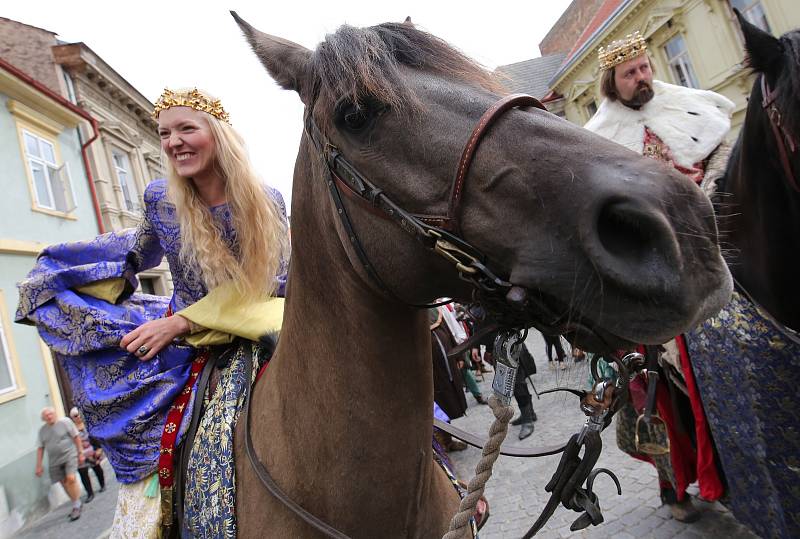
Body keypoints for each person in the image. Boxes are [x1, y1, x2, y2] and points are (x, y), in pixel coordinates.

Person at [17, 88, 289, 538]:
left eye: (186, 129)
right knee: (155, 461)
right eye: (164, 133)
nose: (173, 142)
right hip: (177, 343)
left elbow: (273, 285)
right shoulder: (160, 197)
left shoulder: (267, 200)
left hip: (251, 333)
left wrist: (182, 321)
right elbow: (139, 252)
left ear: (218, 136)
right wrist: (82, 273)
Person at [584, 33, 732, 523]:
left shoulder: (689, 106)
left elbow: (719, 154)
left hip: (714, 248)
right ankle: (674, 486)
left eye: (645, 67)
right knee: (654, 389)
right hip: (652, 273)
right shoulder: (599, 136)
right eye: (630, 73)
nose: (642, 77)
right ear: (613, 83)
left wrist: (706, 196)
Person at [35, 407, 84, 521]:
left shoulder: (65, 422)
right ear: (43, 418)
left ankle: (77, 505)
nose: (49, 416)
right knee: (64, 483)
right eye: (46, 415)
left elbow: (76, 437)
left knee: (71, 479)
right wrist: (39, 465)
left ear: (55, 414)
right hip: (54, 461)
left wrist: (80, 452)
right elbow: (40, 448)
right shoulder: (42, 431)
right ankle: (76, 502)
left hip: (69, 455)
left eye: (51, 414)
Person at [69, 407, 106, 503]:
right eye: (75, 416)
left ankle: (102, 485)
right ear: (72, 418)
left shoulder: (88, 424)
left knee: (97, 469)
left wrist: (99, 448)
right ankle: (90, 493)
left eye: (79, 415)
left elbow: (96, 436)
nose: (78, 417)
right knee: (83, 474)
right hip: (80, 454)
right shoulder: (71, 428)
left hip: (92, 451)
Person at [510, 342, 538, 440]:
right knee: (518, 384)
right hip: (504, 350)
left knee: (518, 385)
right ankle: (529, 413)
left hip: (512, 348)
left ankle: (527, 420)